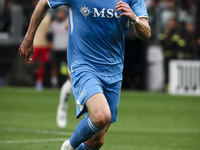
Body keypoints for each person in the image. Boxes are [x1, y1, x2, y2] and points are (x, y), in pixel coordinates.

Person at [18, 0, 151, 149]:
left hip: (113, 69)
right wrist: (29, 38)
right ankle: (69, 146)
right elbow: (43, 3)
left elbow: (146, 34)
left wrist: (134, 18)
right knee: (101, 116)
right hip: (83, 64)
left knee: (97, 140)